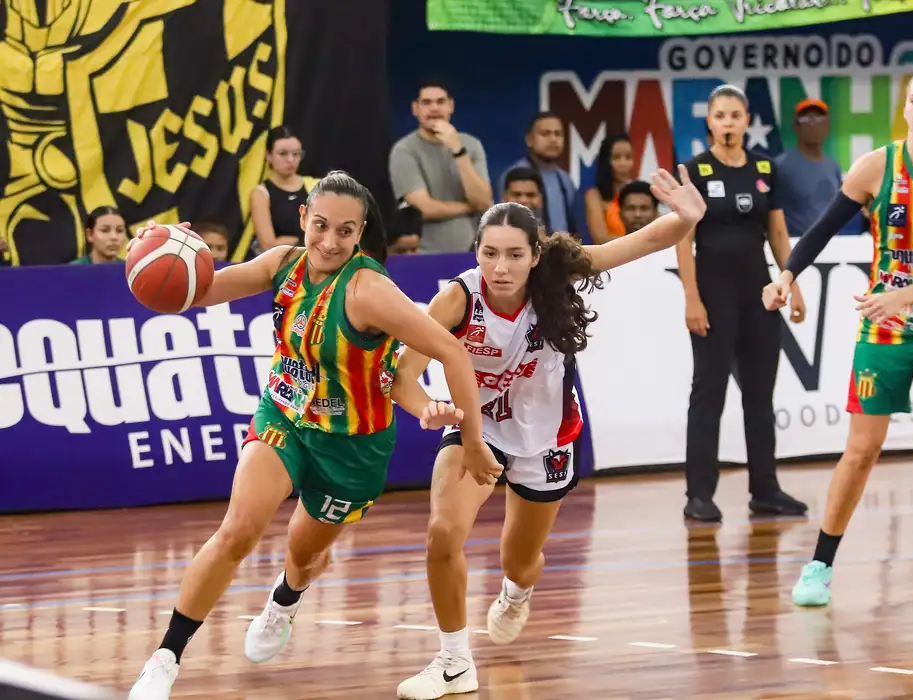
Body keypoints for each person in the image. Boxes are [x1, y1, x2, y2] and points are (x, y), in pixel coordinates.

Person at [127, 171, 500, 700]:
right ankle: (165, 659)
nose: (329, 241)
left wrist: (472, 439)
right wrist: (173, 249)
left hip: (352, 446)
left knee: (303, 556)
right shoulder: (282, 263)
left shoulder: (370, 291)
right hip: (284, 419)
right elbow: (196, 290)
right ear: (303, 218)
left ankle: (286, 597)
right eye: (320, 225)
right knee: (238, 530)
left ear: (360, 233)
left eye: (345, 231)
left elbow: (453, 352)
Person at [394, 165, 706, 700]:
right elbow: (402, 377)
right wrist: (429, 409)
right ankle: (453, 662)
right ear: (476, 252)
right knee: (442, 533)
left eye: (514, 254)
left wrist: (685, 220)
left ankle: (516, 592)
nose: (500, 266)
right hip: (478, 427)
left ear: (536, 256)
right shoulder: (457, 299)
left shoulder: (558, 276)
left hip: (547, 436)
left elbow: (643, 241)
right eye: (490, 253)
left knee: (518, 560)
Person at [762, 65, 913, 606]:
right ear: (905, 109)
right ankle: (819, 566)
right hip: (885, 329)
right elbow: (820, 231)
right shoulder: (876, 167)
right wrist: (787, 275)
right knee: (861, 451)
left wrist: (902, 296)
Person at [676, 83, 809, 524]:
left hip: (759, 292)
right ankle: (699, 494)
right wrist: (691, 298)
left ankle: (765, 489)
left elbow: (777, 232)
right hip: (713, 293)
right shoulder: (694, 171)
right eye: (720, 116)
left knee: (760, 392)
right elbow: (683, 240)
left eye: (736, 115)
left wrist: (792, 283)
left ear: (747, 120)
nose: (728, 123)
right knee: (708, 390)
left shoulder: (764, 167)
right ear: (710, 122)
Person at [247, 126, 319, 252]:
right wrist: (306, 238)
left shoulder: (316, 187)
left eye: (296, 154)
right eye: (283, 154)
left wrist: (292, 240)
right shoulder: (261, 194)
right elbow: (269, 246)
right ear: (269, 155)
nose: (290, 160)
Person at [583, 132, 636, 244]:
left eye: (628, 157)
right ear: (605, 161)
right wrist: (640, 242)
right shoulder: (594, 196)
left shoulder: (639, 192)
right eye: (616, 157)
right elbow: (600, 238)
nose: (623, 163)